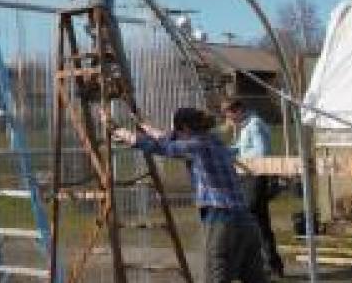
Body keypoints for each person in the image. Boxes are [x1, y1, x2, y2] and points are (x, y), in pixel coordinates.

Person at [114, 108, 267, 283]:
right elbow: (167, 138)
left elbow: (163, 146)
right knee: (254, 277)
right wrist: (144, 125)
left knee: (216, 276)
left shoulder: (195, 146)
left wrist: (121, 133)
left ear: (185, 129)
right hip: (247, 222)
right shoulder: (213, 140)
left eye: (177, 131)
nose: (175, 135)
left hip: (222, 221)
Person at [224, 98, 285, 278]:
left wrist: (240, 157)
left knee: (251, 219)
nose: (230, 120)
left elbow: (261, 152)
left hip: (256, 179)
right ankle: (272, 264)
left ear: (239, 110)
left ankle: (261, 264)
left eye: (230, 115)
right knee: (261, 222)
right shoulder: (247, 126)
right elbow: (243, 148)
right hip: (249, 178)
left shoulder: (255, 125)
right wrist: (228, 151)